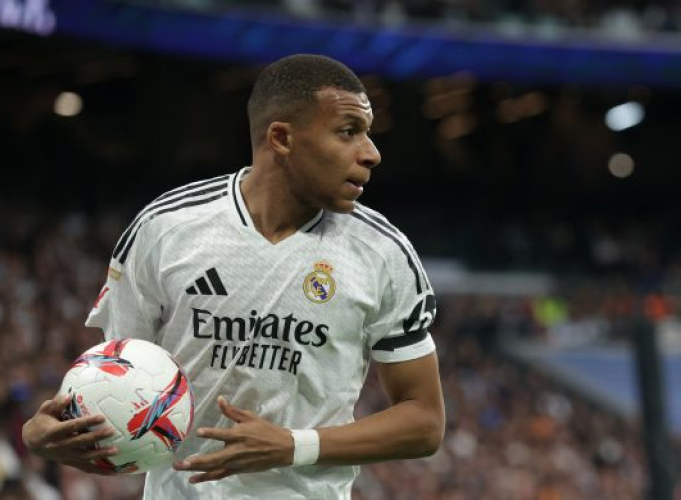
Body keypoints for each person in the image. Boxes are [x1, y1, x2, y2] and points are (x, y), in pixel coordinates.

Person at [22, 53, 445, 499]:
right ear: (281, 138)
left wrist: (292, 446)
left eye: (367, 133)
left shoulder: (383, 253)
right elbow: (116, 382)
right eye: (348, 131)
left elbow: (424, 421)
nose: (371, 153)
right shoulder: (166, 229)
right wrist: (42, 431)